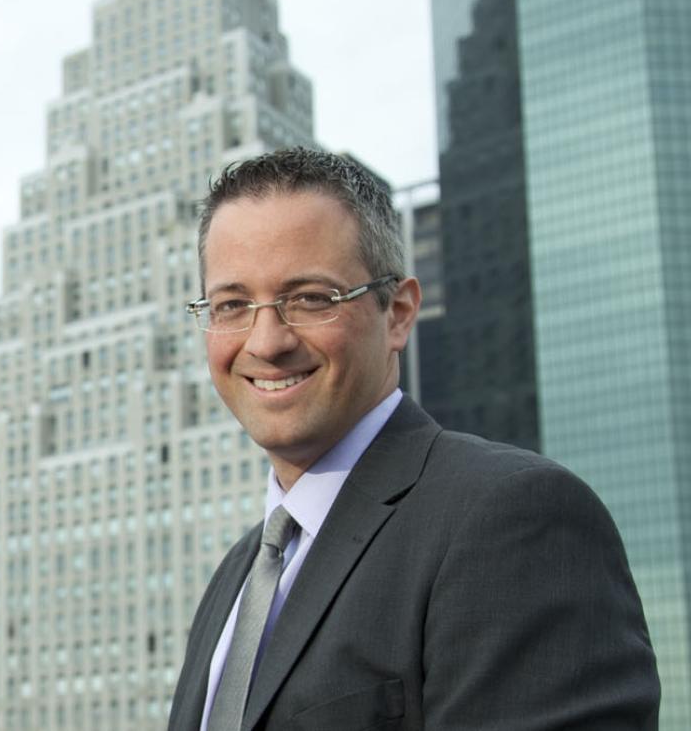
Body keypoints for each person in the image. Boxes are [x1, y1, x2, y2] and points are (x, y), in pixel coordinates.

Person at [167, 148, 658, 730]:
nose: (267, 340)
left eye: (311, 299)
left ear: (398, 313)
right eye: (233, 305)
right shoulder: (236, 578)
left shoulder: (511, 518)